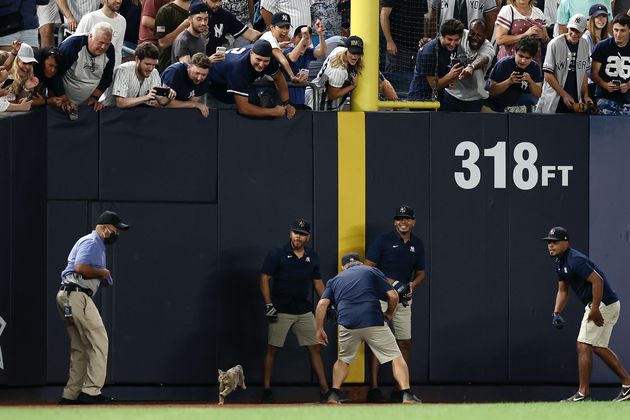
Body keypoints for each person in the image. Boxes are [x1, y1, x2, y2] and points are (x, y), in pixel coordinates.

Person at [315, 253, 421, 405]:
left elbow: (321, 305)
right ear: (360, 263)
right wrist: (389, 314)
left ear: (343, 267)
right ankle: (406, 395)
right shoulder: (371, 270)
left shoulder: (335, 279)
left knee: (343, 359)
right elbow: (393, 296)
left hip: (347, 323)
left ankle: (334, 394)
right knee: (396, 357)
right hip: (372, 320)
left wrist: (319, 330)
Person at [542, 226, 630, 402]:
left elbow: (598, 281)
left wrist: (595, 308)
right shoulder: (560, 262)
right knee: (597, 346)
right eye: (549, 242)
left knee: (583, 344)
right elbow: (563, 290)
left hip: (602, 303)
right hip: (605, 303)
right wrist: (556, 312)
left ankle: (583, 393)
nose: (551, 245)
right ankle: (628, 385)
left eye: (555, 242)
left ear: (566, 242)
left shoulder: (575, 260)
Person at [56, 210, 130, 405]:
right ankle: (90, 391)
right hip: (77, 295)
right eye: (115, 230)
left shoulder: (91, 242)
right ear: (104, 228)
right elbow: (81, 268)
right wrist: (103, 272)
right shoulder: (93, 242)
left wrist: (101, 275)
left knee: (80, 347)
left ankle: (71, 394)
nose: (116, 234)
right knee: (99, 340)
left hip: (68, 296)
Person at [259, 218, 329, 404]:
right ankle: (266, 390)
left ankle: (325, 391)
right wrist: (269, 304)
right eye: (296, 232)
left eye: (302, 234)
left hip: (304, 310)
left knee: (315, 348)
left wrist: (329, 303)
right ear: (290, 233)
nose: (298, 236)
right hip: (280, 310)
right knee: (272, 349)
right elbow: (264, 278)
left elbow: (318, 283)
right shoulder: (277, 253)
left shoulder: (312, 256)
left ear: (308, 237)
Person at [364, 205, 426, 403]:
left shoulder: (417, 244)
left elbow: (421, 273)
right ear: (394, 222)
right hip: (381, 297)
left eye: (407, 218)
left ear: (413, 222)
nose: (402, 222)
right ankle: (374, 388)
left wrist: (412, 285)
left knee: (405, 342)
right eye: (399, 218)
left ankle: (400, 389)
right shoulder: (383, 240)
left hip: (403, 299)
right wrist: (392, 283)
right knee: (377, 342)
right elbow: (367, 268)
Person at [206, 39, 297, 118]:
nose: (261, 64)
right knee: (227, 121)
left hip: (242, 83)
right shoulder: (238, 67)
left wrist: (286, 103)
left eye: (266, 61)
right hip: (215, 87)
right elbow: (243, 109)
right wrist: (273, 112)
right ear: (251, 53)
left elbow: (279, 78)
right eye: (258, 59)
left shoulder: (269, 58)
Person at [536, 14, 592, 113]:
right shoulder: (554, 44)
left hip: (575, 98)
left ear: (584, 31)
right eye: (572, 29)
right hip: (555, 98)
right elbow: (547, 74)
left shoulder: (585, 44)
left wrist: (586, 95)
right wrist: (564, 95)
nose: (574, 34)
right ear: (567, 27)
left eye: (578, 31)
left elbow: (583, 72)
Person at [58, 21, 115, 111]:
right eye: (100, 42)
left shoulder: (110, 49)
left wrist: (95, 97)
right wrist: (62, 97)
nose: (103, 47)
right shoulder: (72, 45)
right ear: (90, 36)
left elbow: (107, 78)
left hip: (88, 104)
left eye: (107, 44)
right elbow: (56, 74)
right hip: (63, 100)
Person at [440, 19, 495, 112]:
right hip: (451, 93)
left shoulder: (488, 47)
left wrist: (471, 67)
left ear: (485, 35)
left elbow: (483, 58)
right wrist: (429, 41)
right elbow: (444, 39)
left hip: (474, 98)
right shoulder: (461, 35)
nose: (475, 38)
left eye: (479, 35)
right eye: (472, 34)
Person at [407, 19, 464, 102]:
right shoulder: (430, 52)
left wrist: (449, 80)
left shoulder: (451, 47)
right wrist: (450, 76)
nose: (452, 44)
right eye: (449, 39)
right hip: (420, 100)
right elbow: (434, 86)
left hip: (437, 99)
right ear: (442, 36)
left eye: (456, 40)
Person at [380, 0, 430, 93]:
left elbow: (424, 18)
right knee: (394, 83)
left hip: (416, 48)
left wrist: (425, 36)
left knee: (413, 84)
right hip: (397, 48)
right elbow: (384, 15)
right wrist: (389, 41)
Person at [105, 41, 174, 108]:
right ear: (137, 59)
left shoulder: (154, 72)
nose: (150, 68)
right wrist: (146, 97)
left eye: (154, 65)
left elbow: (161, 101)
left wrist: (169, 97)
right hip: (111, 112)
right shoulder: (123, 70)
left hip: (135, 113)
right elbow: (121, 103)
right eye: (147, 64)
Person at [484, 35, 543, 112]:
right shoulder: (504, 64)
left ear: (532, 58)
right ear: (515, 52)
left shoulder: (535, 67)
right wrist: (509, 81)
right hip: (497, 105)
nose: (523, 61)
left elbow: (538, 95)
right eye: (520, 56)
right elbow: (492, 92)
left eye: (527, 58)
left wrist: (530, 82)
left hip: (519, 106)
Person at [305, 34, 363, 110]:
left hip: (315, 94)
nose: (355, 56)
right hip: (318, 102)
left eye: (358, 53)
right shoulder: (339, 70)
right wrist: (353, 86)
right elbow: (332, 95)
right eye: (352, 53)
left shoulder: (339, 49)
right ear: (347, 50)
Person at [590, 13, 630, 116]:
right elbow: (593, 73)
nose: (618, 34)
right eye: (616, 30)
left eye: (622, 30)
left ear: (629, 30)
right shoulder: (602, 46)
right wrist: (605, 85)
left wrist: (628, 85)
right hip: (605, 98)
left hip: (627, 98)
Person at [283, 22, 327, 106]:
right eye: (300, 37)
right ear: (293, 39)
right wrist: (303, 38)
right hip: (286, 99)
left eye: (308, 38)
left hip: (300, 99)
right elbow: (292, 58)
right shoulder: (287, 51)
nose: (304, 40)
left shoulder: (308, 52)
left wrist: (320, 33)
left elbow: (322, 52)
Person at [495, 0, 549, 68]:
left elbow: (546, 42)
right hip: (510, 63)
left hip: (533, 64)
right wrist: (525, 35)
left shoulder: (538, 12)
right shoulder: (507, 10)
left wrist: (543, 37)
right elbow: (500, 39)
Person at [260, 12, 309, 84]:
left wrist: (279, 45)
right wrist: (292, 76)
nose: (285, 30)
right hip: (261, 83)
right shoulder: (270, 39)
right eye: (281, 27)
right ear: (272, 27)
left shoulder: (269, 36)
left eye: (287, 27)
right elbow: (282, 59)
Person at [76, 0, 126, 67]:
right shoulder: (90, 18)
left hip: (107, 69)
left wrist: (115, 70)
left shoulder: (122, 21)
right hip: (85, 67)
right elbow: (76, 45)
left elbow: (117, 50)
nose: (119, 1)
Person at [160, 51, 210, 117]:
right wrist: (195, 105)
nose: (199, 78)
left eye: (203, 75)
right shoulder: (175, 72)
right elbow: (163, 102)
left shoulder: (205, 79)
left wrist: (192, 104)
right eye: (196, 73)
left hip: (180, 110)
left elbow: (191, 103)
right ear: (189, 67)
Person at [155, 0, 192, 72]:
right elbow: (163, 43)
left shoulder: (197, 9)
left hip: (194, 67)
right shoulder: (165, 11)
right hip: (169, 65)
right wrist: (183, 26)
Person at [429, 0, 497, 39]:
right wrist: (433, 39)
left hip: (474, 41)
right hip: (446, 39)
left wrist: (485, 42)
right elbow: (434, 14)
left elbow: (491, 18)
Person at [583, 4, 611, 97]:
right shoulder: (585, 38)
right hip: (590, 84)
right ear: (592, 19)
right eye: (597, 16)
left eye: (604, 16)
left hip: (606, 82)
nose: (601, 19)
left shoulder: (609, 37)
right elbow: (586, 67)